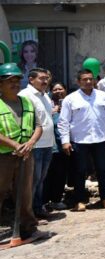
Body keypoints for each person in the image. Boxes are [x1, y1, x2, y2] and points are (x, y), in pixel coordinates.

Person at [0, 63, 48, 242]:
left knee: (25, 192)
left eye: (16, 80)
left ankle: (28, 228)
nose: (14, 84)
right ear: (0, 85)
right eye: (9, 81)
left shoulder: (26, 102)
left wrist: (30, 143)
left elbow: (38, 126)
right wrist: (14, 145)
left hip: (26, 154)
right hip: (4, 156)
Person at [58, 69, 105, 211]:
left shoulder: (103, 96)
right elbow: (63, 121)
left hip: (100, 138)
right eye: (85, 79)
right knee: (79, 171)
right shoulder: (70, 99)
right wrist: (65, 141)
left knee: (102, 170)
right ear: (78, 81)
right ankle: (79, 200)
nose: (89, 82)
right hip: (79, 141)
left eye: (91, 79)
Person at [19, 68, 56, 218]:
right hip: (34, 145)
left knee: (40, 179)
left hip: (48, 144)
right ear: (31, 79)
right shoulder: (24, 96)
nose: (45, 81)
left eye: (47, 78)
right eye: (42, 78)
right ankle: (28, 214)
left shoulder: (45, 95)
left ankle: (37, 208)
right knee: (31, 181)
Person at [43, 81, 69, 210]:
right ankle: (43, 201)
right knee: (47, 175)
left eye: (61, 89)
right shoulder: (47, 103)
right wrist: (53, 112)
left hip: (63, 145)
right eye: (55, 89)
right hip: (49, 145)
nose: (58, 91)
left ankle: (56, 199)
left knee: (61, 173)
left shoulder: (70, 102)